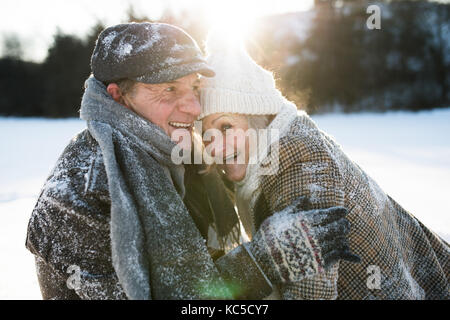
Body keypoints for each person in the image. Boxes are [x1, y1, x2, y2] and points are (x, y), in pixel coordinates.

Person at [25, 22, 357, 300]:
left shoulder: (184, 156)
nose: (194, 109)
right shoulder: (80, 196)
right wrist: (264, 262)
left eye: (194, 87)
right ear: (118, 96)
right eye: (169, 90)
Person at [199, 35, 450, 300]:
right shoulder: (266, 153)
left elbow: (311, 293)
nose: (215, 147)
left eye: (226, 127)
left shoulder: (298, 158)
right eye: (206, 134)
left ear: (258, 119)